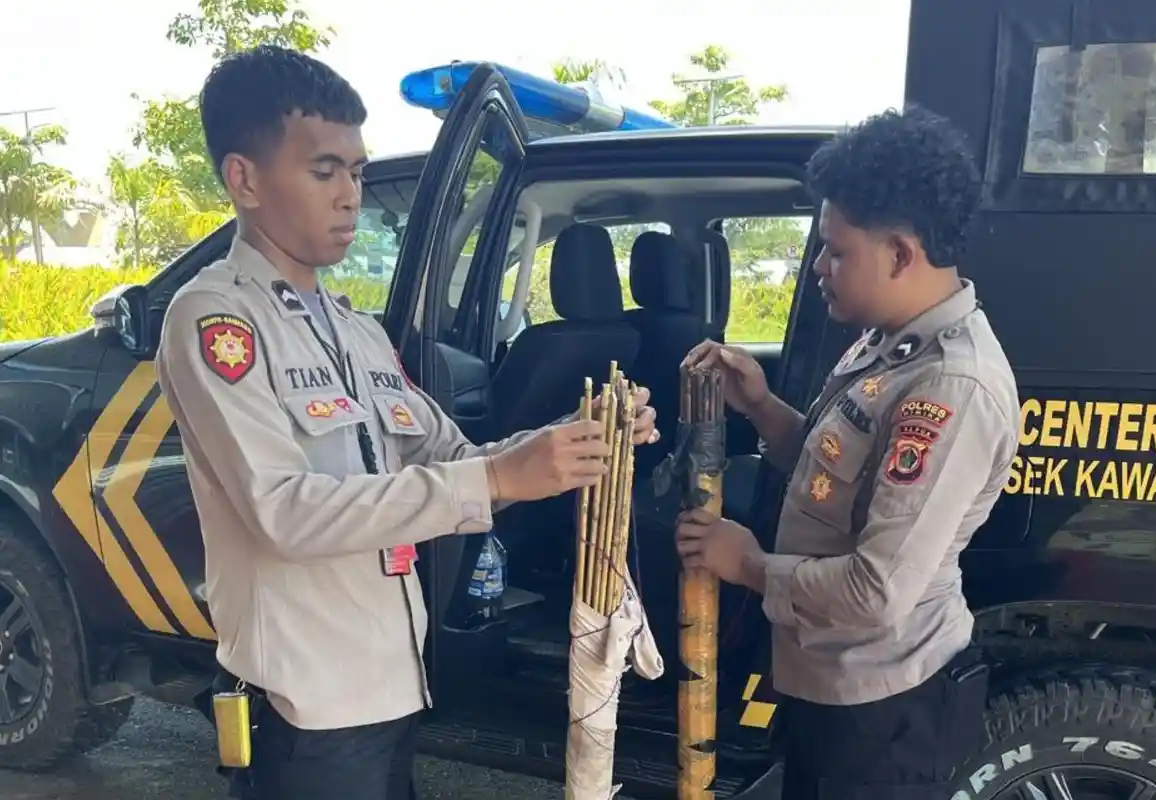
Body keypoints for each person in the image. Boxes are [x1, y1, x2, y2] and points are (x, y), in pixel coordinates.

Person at [154, 45, 659, 800]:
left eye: (357, 172)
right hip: (308, 714)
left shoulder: (355, 332)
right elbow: (283, 512)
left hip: (393, 689)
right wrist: (494, 475)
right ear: (245, 179)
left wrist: (575, 439)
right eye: (324, 171)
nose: (350, 195)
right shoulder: (217, 320)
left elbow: (457, 457)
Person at [675, 107, 1020, 798]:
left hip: (881, 710)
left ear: (898, 254)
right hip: (835, 680)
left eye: (836, 251)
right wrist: (763, 405)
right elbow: (840, 474)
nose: (817, 268)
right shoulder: (891, 339)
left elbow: (875, 591)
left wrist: (745, 564)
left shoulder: (950, 385)